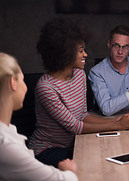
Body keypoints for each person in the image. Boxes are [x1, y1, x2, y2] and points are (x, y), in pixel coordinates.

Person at [28, 19, 129, 168]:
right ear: (64, 53)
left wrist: (118, 121)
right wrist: (117, 125)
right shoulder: (46, 87)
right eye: (80, 50)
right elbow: (75, 127)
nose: (85, 54)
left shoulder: (79, 74)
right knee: (93, 164)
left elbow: (82, 115)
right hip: (46, 150)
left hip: (75, 144)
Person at [0, 52, 78, 181]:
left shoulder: (9, 131)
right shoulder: (5, 146)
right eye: (22, 79)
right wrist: (69, 171)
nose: (25, 87)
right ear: (12, 83)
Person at [88, 24, 129, 116]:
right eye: (116, 46)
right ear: (109, 44)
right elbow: (106, 108)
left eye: (125, 47)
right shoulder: (97, 72)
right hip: (114, 123)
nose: (120, 51)